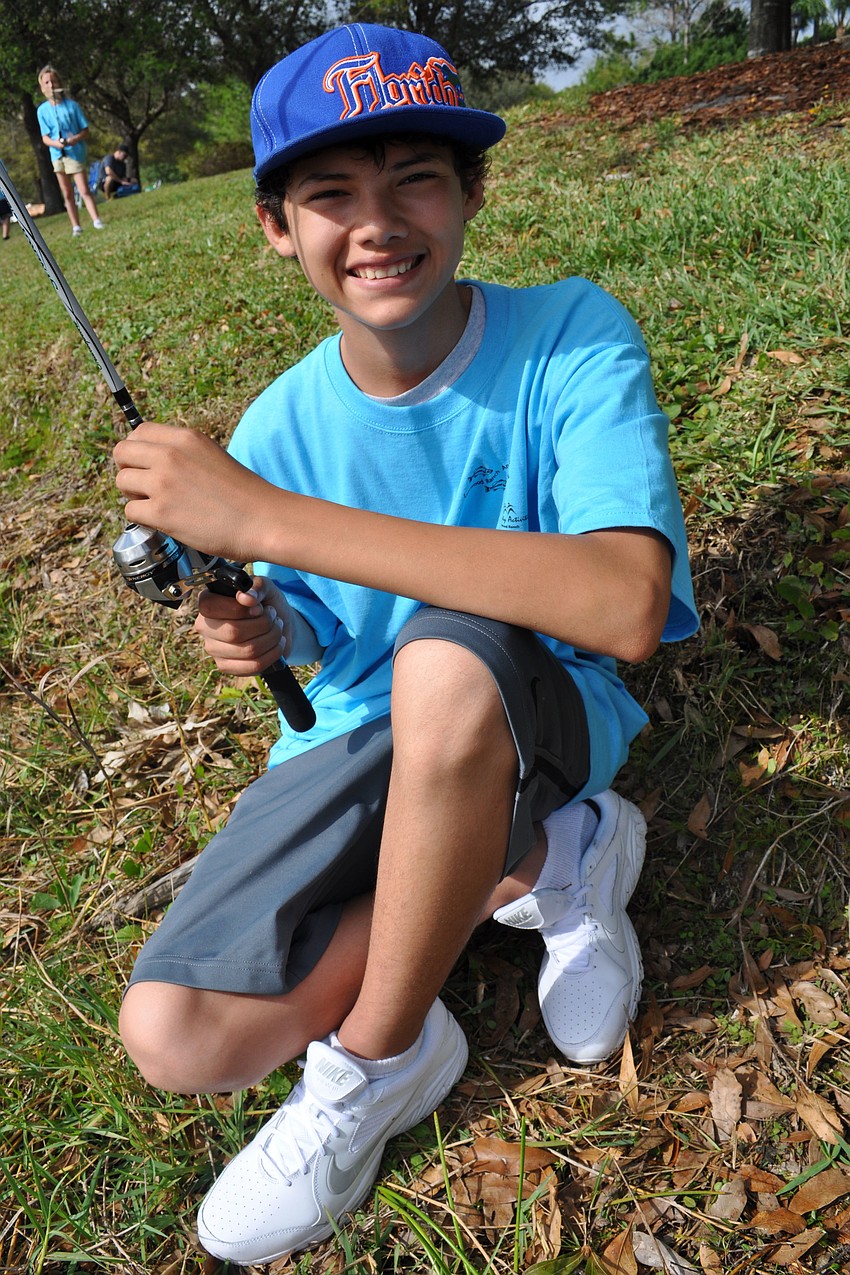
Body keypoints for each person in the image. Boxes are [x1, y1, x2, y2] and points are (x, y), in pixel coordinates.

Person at [113, 22, 699, 1267]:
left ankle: (376, 1059)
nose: (376, 224)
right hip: (363, 740)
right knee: (178, 1035)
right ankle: (545, 861)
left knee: (443, 662)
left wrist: (264, 519)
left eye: (415, 180)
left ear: (472, 192)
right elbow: (323, 635)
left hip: (529, 711)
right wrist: (266, 623)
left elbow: (623, 606)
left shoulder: (571, 334)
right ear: (277, 229)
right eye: (330, 195)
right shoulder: (277, 427)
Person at [36, 65, 104, 236]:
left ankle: (96, 220)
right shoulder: (42, 110)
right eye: (47, 82)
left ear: (59, 82)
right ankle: (76, 227)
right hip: (57, 155)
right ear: (42, 87)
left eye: (53, 81)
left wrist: (74, 139)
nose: (51, 85)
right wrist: (55, 143)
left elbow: (85, 131)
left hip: (75, 153)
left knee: (83, 189)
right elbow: (45, 137)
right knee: (67, 193)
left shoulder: (72, 106)